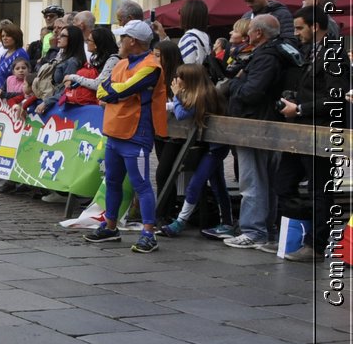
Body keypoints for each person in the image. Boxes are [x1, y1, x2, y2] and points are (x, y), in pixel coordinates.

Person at [84, 20, 167, 254]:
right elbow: (103, 89)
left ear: (133, 41)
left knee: (141, 184)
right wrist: (114, 93)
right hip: (116, 132)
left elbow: (121, 89)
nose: (119, 42)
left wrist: (113, 93)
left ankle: (149, 233)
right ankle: (110, 227)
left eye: (123, 38)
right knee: (112, 181)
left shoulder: (151, 66)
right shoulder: (122, 64)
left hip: (136, 134)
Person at [221, 14, 299, 251]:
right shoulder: (276, 53)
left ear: (258, 33)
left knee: (252, 180)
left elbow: (251, 92)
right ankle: (267, 230)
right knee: (265, 180)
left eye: (251, 31)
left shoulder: (266, 57)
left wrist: (233, 84)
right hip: (265, 123)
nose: (247, 35)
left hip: (254, 124)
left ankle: (253, 231)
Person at [278, 4, 345, 262]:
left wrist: (301, 107)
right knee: (283, 182)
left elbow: (336, 98)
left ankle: (315, 244)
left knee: (319, 188)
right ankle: (297, 233)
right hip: (301, 129)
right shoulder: (310, 50)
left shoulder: (333, 53)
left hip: (321, 130)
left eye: (299, 28)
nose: (296, 33)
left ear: (314, 26)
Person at [161, 64, 235, 239]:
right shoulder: (204, 92)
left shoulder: (204, 95)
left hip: (215, 147)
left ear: (189, 80)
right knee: (217, 184)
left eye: (179, 77)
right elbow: (184, 107)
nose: (176, 80)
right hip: (214, 145)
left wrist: (177, 94)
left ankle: (180, 222)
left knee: (196, 183)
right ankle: (227, 223)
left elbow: (181, 114)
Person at [176, 0, 212, 66]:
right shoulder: (205, 36)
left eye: (181, 12)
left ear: (186, 16)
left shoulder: (189, 38)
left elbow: (187, 66)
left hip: (192, 75)